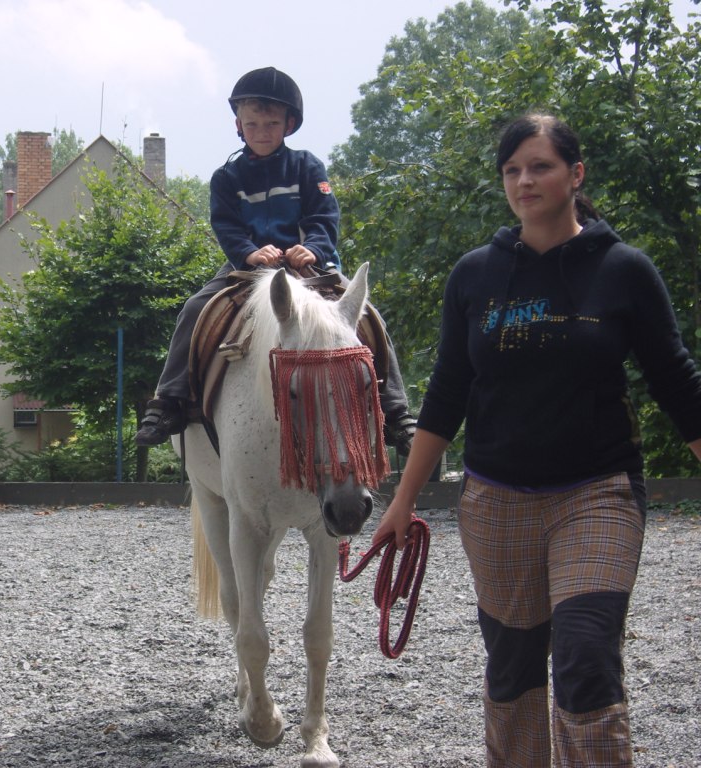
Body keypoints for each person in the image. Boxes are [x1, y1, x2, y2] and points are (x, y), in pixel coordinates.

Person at [375, 113, 701, 766]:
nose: (524, 180)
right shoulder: (475, 275)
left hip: (598, 493)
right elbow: (446, 395)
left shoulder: (624, 270)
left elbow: (678, 385)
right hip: (496, 501)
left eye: (540, 167)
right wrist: (402, 500)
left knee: (585, 656)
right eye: (512, 170)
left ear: (575, 175)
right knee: (514, 667)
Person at [135, 66, 417, 452]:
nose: (262, 132)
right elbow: (226, 225)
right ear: (239, 125)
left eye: (271, 123)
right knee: (195, 308)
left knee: (367, 313)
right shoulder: (226, 177)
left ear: (289, 124)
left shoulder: (307, 166)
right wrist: (249, 252)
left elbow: (324, 215)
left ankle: (395, 409)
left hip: (308, 266)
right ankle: (168, 401)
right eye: (252, 124)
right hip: (248, 267)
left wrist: (313, 247)